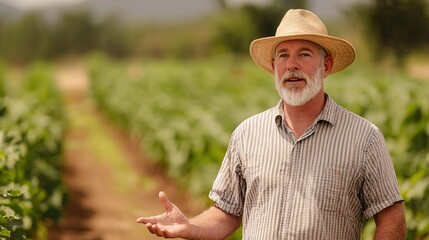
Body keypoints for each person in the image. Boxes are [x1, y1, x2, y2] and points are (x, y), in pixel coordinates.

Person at [136, 9, 406, 239]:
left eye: (304, 54)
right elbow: (227, 213)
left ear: (326, 66)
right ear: (273, 66)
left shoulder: (363, 138)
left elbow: (391, 216)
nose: (292, 65)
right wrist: (190, 226)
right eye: (283, 55)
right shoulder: (247, 134)